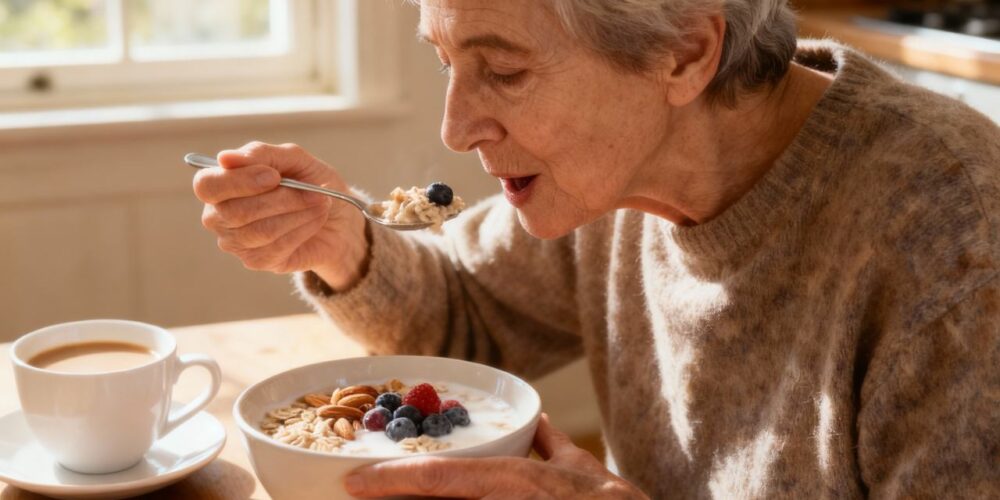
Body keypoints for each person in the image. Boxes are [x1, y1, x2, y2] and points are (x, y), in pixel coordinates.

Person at [192, 0, 1000, 498]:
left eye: (502, 71)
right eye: (444, 61)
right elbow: (465, 310)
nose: (454, 127)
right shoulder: (612, 173)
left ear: (683, 52)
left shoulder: (952, 228)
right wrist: (344, 241)